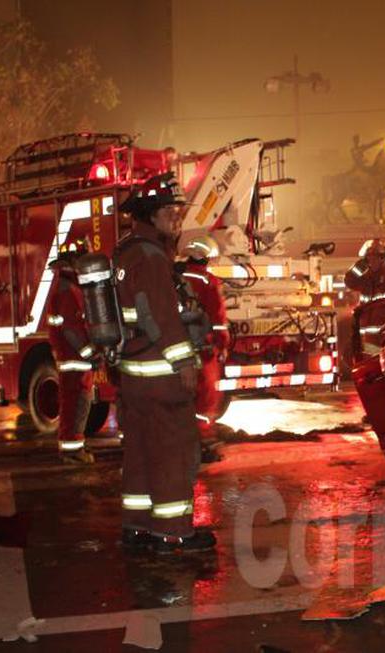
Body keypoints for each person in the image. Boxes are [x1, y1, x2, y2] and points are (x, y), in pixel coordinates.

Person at [115, 172, 213, 554]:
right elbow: (160, 316)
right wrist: (184, 362)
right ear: (151, 214)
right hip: (160, 374)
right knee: (173, 450)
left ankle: (137, 526)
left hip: (134, 376)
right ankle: (174, 532)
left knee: (140, 451)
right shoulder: (152, 257)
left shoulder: (125, 251)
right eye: (170, 211)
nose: (176, 217)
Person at [177, 235, 230, 458]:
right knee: (206, 396)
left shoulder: (175, 277)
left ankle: (184, 438)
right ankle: (204, 440)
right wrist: (223, 343)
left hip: (180, 346)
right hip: (205, 347)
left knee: (184, 395)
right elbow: (218, 318)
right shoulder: (209, 281)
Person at [46, 241, 96, 463]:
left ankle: (72, 448)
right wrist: (90, 353)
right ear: (72, 260)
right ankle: (73, 452)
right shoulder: (68, 289)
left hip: (72, 359)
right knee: (77, 404)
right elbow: (72, 329)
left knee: (73, 404)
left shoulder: (65, 285)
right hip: (75, 360)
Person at [344, 239, 385, 359]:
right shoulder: (366, 277)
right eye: (368, 257)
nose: (371, 260)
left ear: (382, 257)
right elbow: (349, 281)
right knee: (371, 361)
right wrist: (361, 265)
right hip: (368, 333)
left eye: (374, 257)